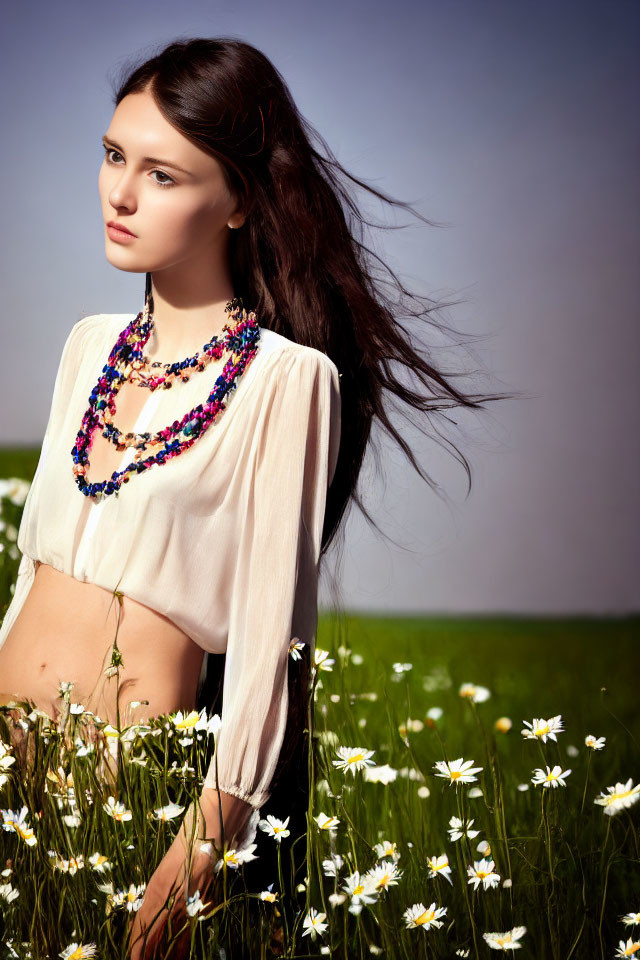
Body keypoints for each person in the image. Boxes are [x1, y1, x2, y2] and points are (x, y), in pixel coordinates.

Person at [0, 37, 510, 958]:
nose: (119, 194)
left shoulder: (287, 382)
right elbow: (29, 577)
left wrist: (182, 876)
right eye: (115, 156)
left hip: (123, 814)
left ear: (237, 200)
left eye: (163, 174)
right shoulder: (87, 346)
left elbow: (272, 662)